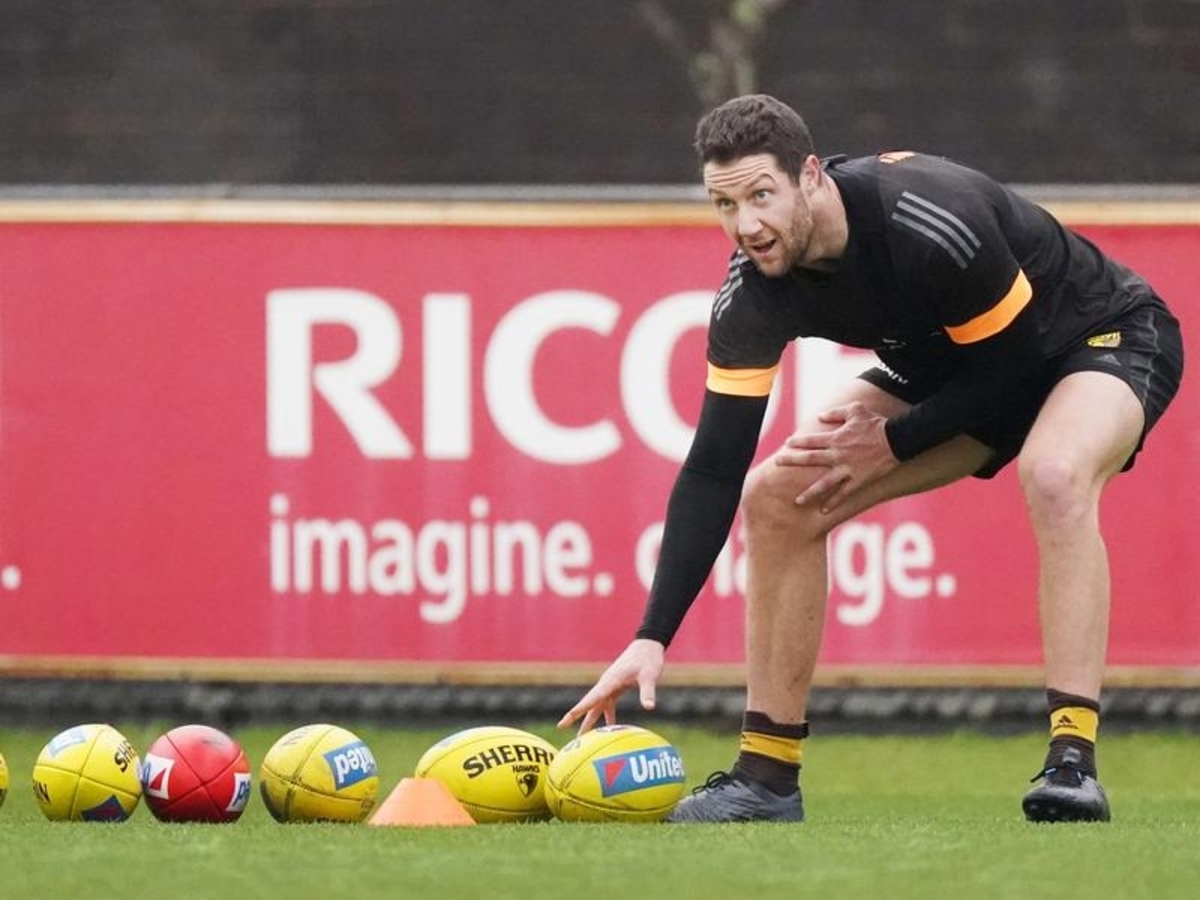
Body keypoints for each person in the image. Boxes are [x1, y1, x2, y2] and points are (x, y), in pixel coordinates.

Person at [557, 94, 1183, 824]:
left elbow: (1015, 369)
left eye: (761, 195)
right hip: (960, 368)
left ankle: (1071, 763)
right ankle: (765, 780)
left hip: (1096, 337)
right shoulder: (753, 293)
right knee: (778, 498)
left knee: (1054, 472)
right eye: (725, 204)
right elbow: (712, 468)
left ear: (810, 176)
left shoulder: (927, 219)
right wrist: (651, 636)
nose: (746, 224)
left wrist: (893, 441)